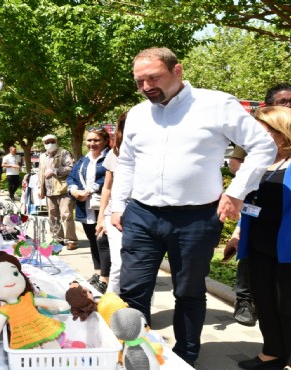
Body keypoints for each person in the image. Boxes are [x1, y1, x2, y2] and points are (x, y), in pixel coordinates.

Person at [110, 47, 276, 366]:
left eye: (153, 78)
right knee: (132, 289)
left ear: (178, 71)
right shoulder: (137, 114)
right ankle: (135, 351)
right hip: (142, 215)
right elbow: (127, 161)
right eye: (139, 81)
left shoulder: (216, 104)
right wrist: (119, 205)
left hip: (196, 219)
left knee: (188, 291)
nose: (145, 87)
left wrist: (238, 192)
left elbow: (262, 146)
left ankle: (185, 355)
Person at [233, 106, 291, 370]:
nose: (254, 137)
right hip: (261, 247)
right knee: (265, 302)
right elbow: (252, 202)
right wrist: (239, 233)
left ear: (282, 131)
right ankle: (272, 353)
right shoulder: (261, 160)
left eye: (261, 131)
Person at [227, 83, 291, 327]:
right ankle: (245, 301)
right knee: (250, 249)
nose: (289, 105)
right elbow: (235, 163)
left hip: (290, 212)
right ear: (270, 105)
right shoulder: (256, 131)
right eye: (283, 101)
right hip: (258, 201)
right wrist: (256, 176)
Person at [67, 127, 110, 293]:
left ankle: (105, 278)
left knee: (103, 241)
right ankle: (98, 272)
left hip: (102, 206)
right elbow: (72, 176)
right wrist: (74, 190)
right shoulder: (83, 160)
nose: (92, 143)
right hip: (85, 206)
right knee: (93, 240)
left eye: (96, 140)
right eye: (89, 140)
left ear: (105, 141)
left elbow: (108, 178)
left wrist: (90, 190)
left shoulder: (110, 157)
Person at [95, 111, 127, 294]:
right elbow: (107, 188)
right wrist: (101, 219)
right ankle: (112, 304)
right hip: (115, 214)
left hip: (145, 214)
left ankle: (139, 309)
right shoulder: (114, 155)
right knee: (119, 263)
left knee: (142, 265)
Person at [37, 134, 78, 251]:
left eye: (52, 141)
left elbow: (71, 168)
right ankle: (57, 239)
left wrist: (54, 171)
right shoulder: (42, 156)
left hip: (63, 189)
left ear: (56, 141)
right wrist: (41, 189)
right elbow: (41, 173)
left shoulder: (64, 153)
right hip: (49, 191)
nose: (49, 144)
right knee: (53, 216)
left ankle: (71, 240)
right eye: (47, 142)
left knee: (67, 215)